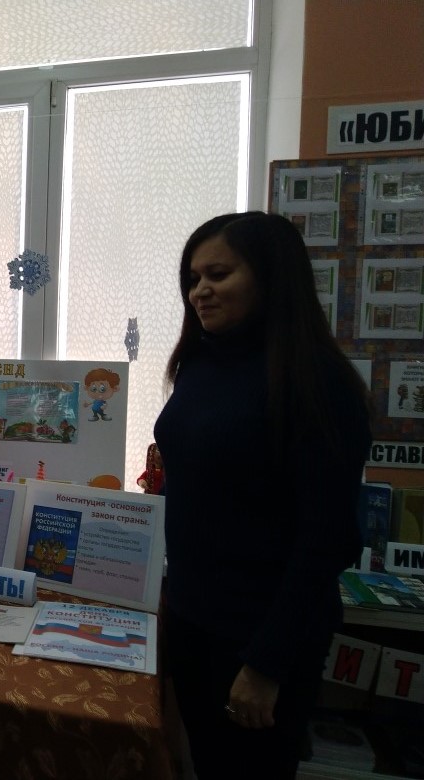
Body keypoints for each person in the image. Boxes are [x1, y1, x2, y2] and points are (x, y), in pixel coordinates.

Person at [154, 212, 371, 779]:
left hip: (259, 640)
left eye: (218, 274)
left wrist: (267, 664)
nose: (200, 291)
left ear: (272, 277)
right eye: (193, 278)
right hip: (192, 619)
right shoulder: (202, 362)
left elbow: (326, 539)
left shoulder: (317, 380)